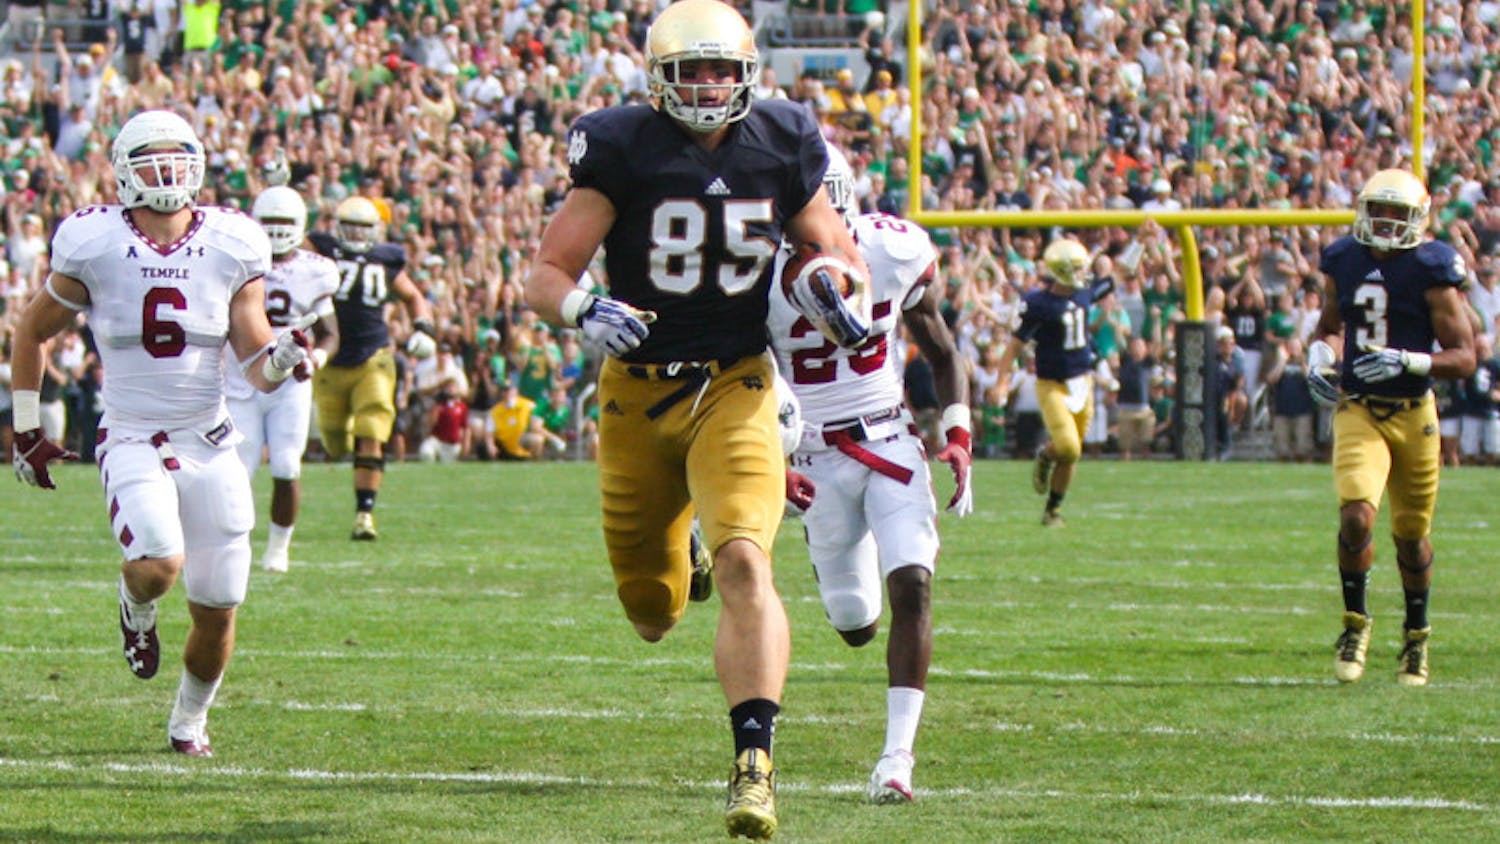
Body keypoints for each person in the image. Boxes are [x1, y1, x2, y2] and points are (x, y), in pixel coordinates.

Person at [522, 0, 866, 837]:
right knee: (651, 615)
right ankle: (684, 545)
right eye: (693, 70)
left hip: (735, 380)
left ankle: (754, 764)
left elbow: (839, 251)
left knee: (749, 560)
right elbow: (544, 272)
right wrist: (580, 308)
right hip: (637, 390)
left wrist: (832, 283)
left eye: (722, 68)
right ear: (659, 77)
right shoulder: (622, 145)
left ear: (748, 71)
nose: (709, 86)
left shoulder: (783, 138)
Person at [9, 109, 310, 756]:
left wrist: (281, 360)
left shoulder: (233, 240)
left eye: (177, 154)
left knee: (220, 602)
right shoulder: (94, 241)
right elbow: (30, 331)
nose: (167, 169)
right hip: (132, 434)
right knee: (157, 565)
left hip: (210, 436)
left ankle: (188, 722)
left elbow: (255, 362)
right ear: (122, 168)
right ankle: (133, 603)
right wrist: (26, 429)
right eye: (151, 156)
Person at [767, 141, 971, 804]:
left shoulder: (890, 250)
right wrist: (771, 454)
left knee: (913, 581)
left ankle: (896, 759)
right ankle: (825, 551)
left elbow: (939, 345)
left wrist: (958, 426)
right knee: (856, 623)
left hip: (889, 435)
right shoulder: (754, 278)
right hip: (813, 457)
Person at [1306, 169, 1476, 688]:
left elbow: (1466, 356)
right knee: (1356, 516)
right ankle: (1355, 625)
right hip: (1358, 406)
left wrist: (1410, 360)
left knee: (1410, 536)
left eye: (1396, 214)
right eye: (1377, 210)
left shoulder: (1432, 268)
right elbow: (1331, 327)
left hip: (1413, 412)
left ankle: (1416, 634)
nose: (1384, 222)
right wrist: (1319, 356)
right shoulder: (1344, 260)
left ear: (1416, 220)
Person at [308, 195, 437, 541]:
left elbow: (412, 296)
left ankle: (364, 514)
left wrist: (422, 325)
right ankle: (357, 470)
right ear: (336, 226)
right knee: (334, 441)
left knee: (371, 430)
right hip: (330, 360)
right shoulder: (322, 249)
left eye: (362, 227)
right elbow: (285, 242)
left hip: (373, 356)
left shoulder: (385, 260)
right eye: (349, 225)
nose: (355, 233)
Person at [226, 186, 340, 572]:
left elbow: (330, 333)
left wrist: (316, 358)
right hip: (241, 378)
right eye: (269, 222)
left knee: (287, 465)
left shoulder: (316, 269)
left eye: (284, 223)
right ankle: (233, 543)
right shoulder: (237, 260)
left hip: (289, 383)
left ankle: (278, 549)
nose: (276, 231)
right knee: (238, 468)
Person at [993, 236, 1112, 526]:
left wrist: (1141, 243)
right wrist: (1000, 383)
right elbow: (1015, 346)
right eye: (1079, 268)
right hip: (1052, 384)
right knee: (1068, 446)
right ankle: (1046, 454)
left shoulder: (1082, 294)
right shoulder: (1038, 304)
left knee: (1072, 455)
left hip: (1083, 381)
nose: (1086, 273)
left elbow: (1114, 277)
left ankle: (1052, 511)